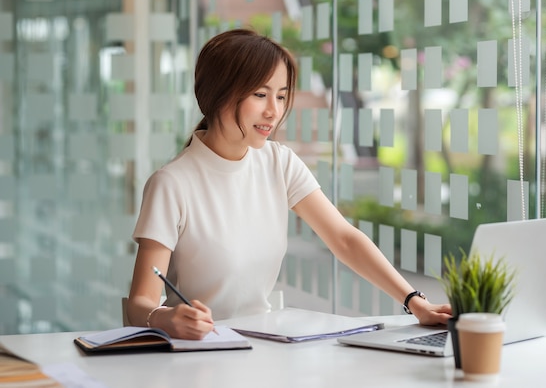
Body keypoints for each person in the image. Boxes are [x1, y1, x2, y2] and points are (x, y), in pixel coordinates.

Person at [127, 28, 452, 340]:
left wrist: (414, 301)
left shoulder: (278, 162)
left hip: (261, 344)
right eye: (260, 94)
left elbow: (344, 239)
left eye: (281, 96)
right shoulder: (171, 184)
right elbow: (140, 304)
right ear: (216, 93)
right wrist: (165, 318)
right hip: (195, 352)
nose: (274, 111)